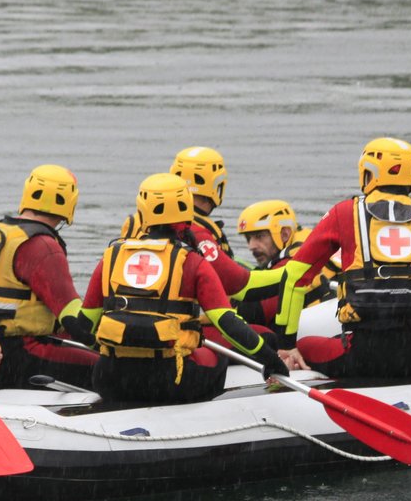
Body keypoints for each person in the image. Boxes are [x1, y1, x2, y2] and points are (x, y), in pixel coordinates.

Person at [273, 137, 411, 379]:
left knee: (305, 345)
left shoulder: (344, 214)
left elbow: (294, 277)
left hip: (368, 353)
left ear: (368, 173)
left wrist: (286, 344)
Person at [77, 173, 289, 405]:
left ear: (142, 210)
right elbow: (228, 324)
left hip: (110, 380)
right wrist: (272, 361)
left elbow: (84, 327)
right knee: (217, 357)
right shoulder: (192, 261)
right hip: (168, 382)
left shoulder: (110, 258)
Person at [0, 164, 99, 390]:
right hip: (19, 354)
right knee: (106, 368)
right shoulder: (43, 246)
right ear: (70, 203)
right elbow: (76, 322)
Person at [233, 198, 336, 329]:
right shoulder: (304, 245)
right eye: (248, 239)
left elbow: (254, 314)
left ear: (284, 234)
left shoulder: (294, 262)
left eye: (259, 236)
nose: (251, 246)